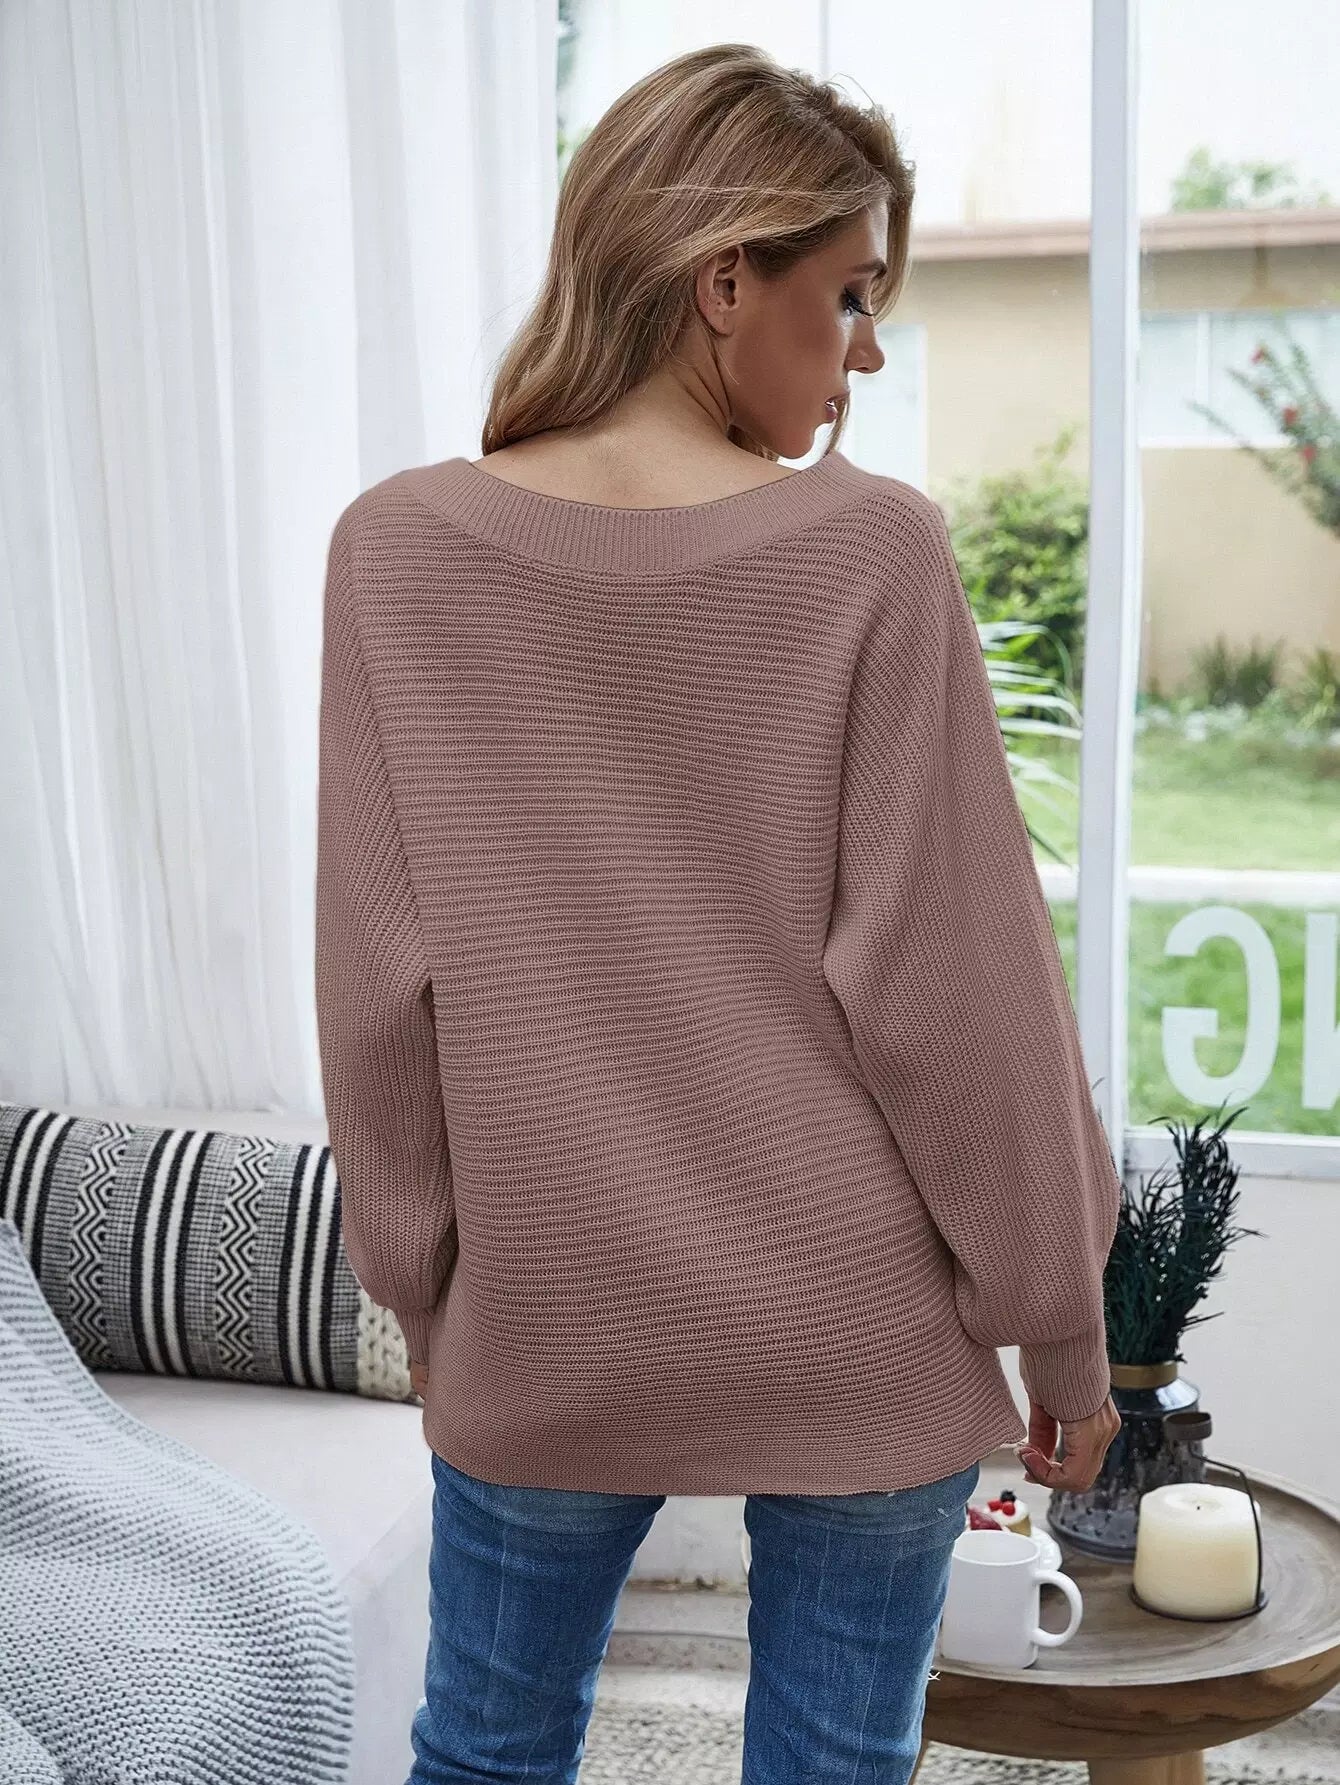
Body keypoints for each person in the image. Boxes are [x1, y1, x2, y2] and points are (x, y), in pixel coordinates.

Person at [313, 41, 1121, 1785]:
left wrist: (423, 1285)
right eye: (852, 294)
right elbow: (961, 990)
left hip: (547, 1317)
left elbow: (380, 987)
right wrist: (1059, 1316)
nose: (867, 350)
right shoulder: (872, 554)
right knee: (836, 1763)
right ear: (724, 278)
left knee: (486, 1751)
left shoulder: (394, 552)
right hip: (857, 1325)